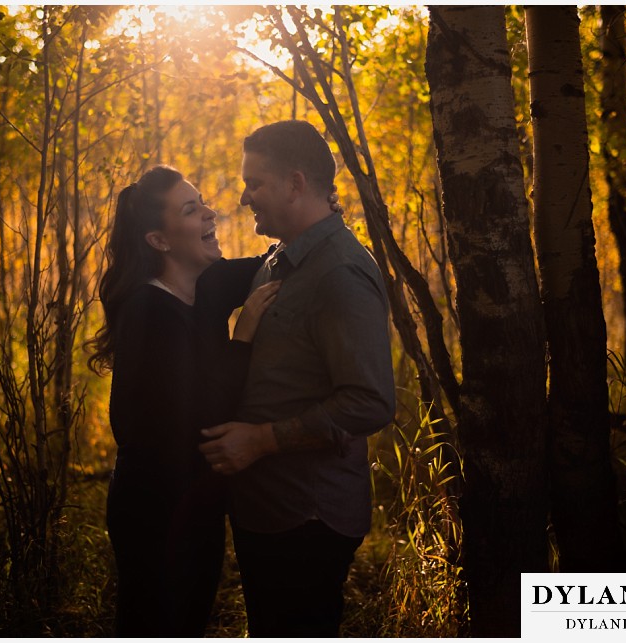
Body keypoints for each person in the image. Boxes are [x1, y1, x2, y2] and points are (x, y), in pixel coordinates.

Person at [200, 120, 396, 637]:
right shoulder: (277, 260)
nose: (245, 198)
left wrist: (262, 440)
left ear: (294, 184)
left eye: (255, 183)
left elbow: (370, 401)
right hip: (265, 508)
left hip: (307, 517)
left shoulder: (340, 272)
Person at [88, 165, 280, 637]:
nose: (211, 212)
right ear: (159, 240)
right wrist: (245, 337)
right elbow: (204, 419)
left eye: (202, 202)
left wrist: (315, 221)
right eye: (191, 210)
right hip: (156, 509)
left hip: (198, 502)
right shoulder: (148, 311)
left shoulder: (205, 288)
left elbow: (272, 261)